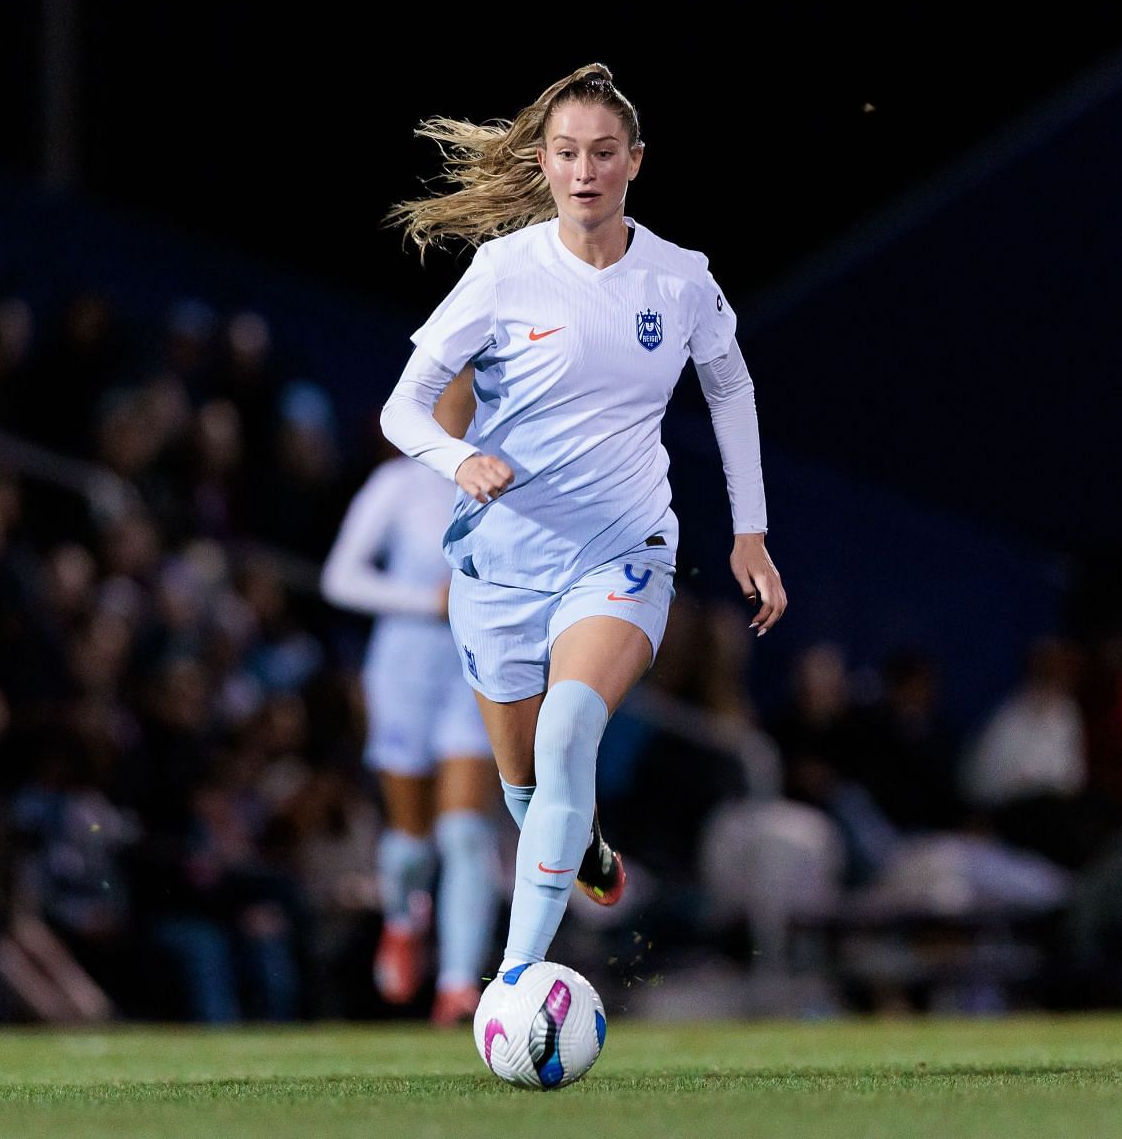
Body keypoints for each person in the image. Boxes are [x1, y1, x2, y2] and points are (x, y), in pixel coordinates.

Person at [380, 63, 786, 982]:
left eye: (604, 152)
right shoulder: (502, 272)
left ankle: (517, 982)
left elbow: (730, 386)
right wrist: (459, 459)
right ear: (545, 162)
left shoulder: (680, 279)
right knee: (525, 786)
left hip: (622, 553)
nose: (585, 169)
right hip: (500, 568)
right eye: (567, 153)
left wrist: (749, 530)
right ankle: (583, 840)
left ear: (635, 162)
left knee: (569, 735)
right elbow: (400, 408)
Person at [321, 369, 501, 1025]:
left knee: (464, 830)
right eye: (457, 389)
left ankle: (458, 985)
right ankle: (403, 916)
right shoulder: (397, 485)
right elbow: (340, 577)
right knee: (412, 835)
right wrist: (427, 601)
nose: (468, 402)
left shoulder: (507, 481)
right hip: (403, 671)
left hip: (471, 669)